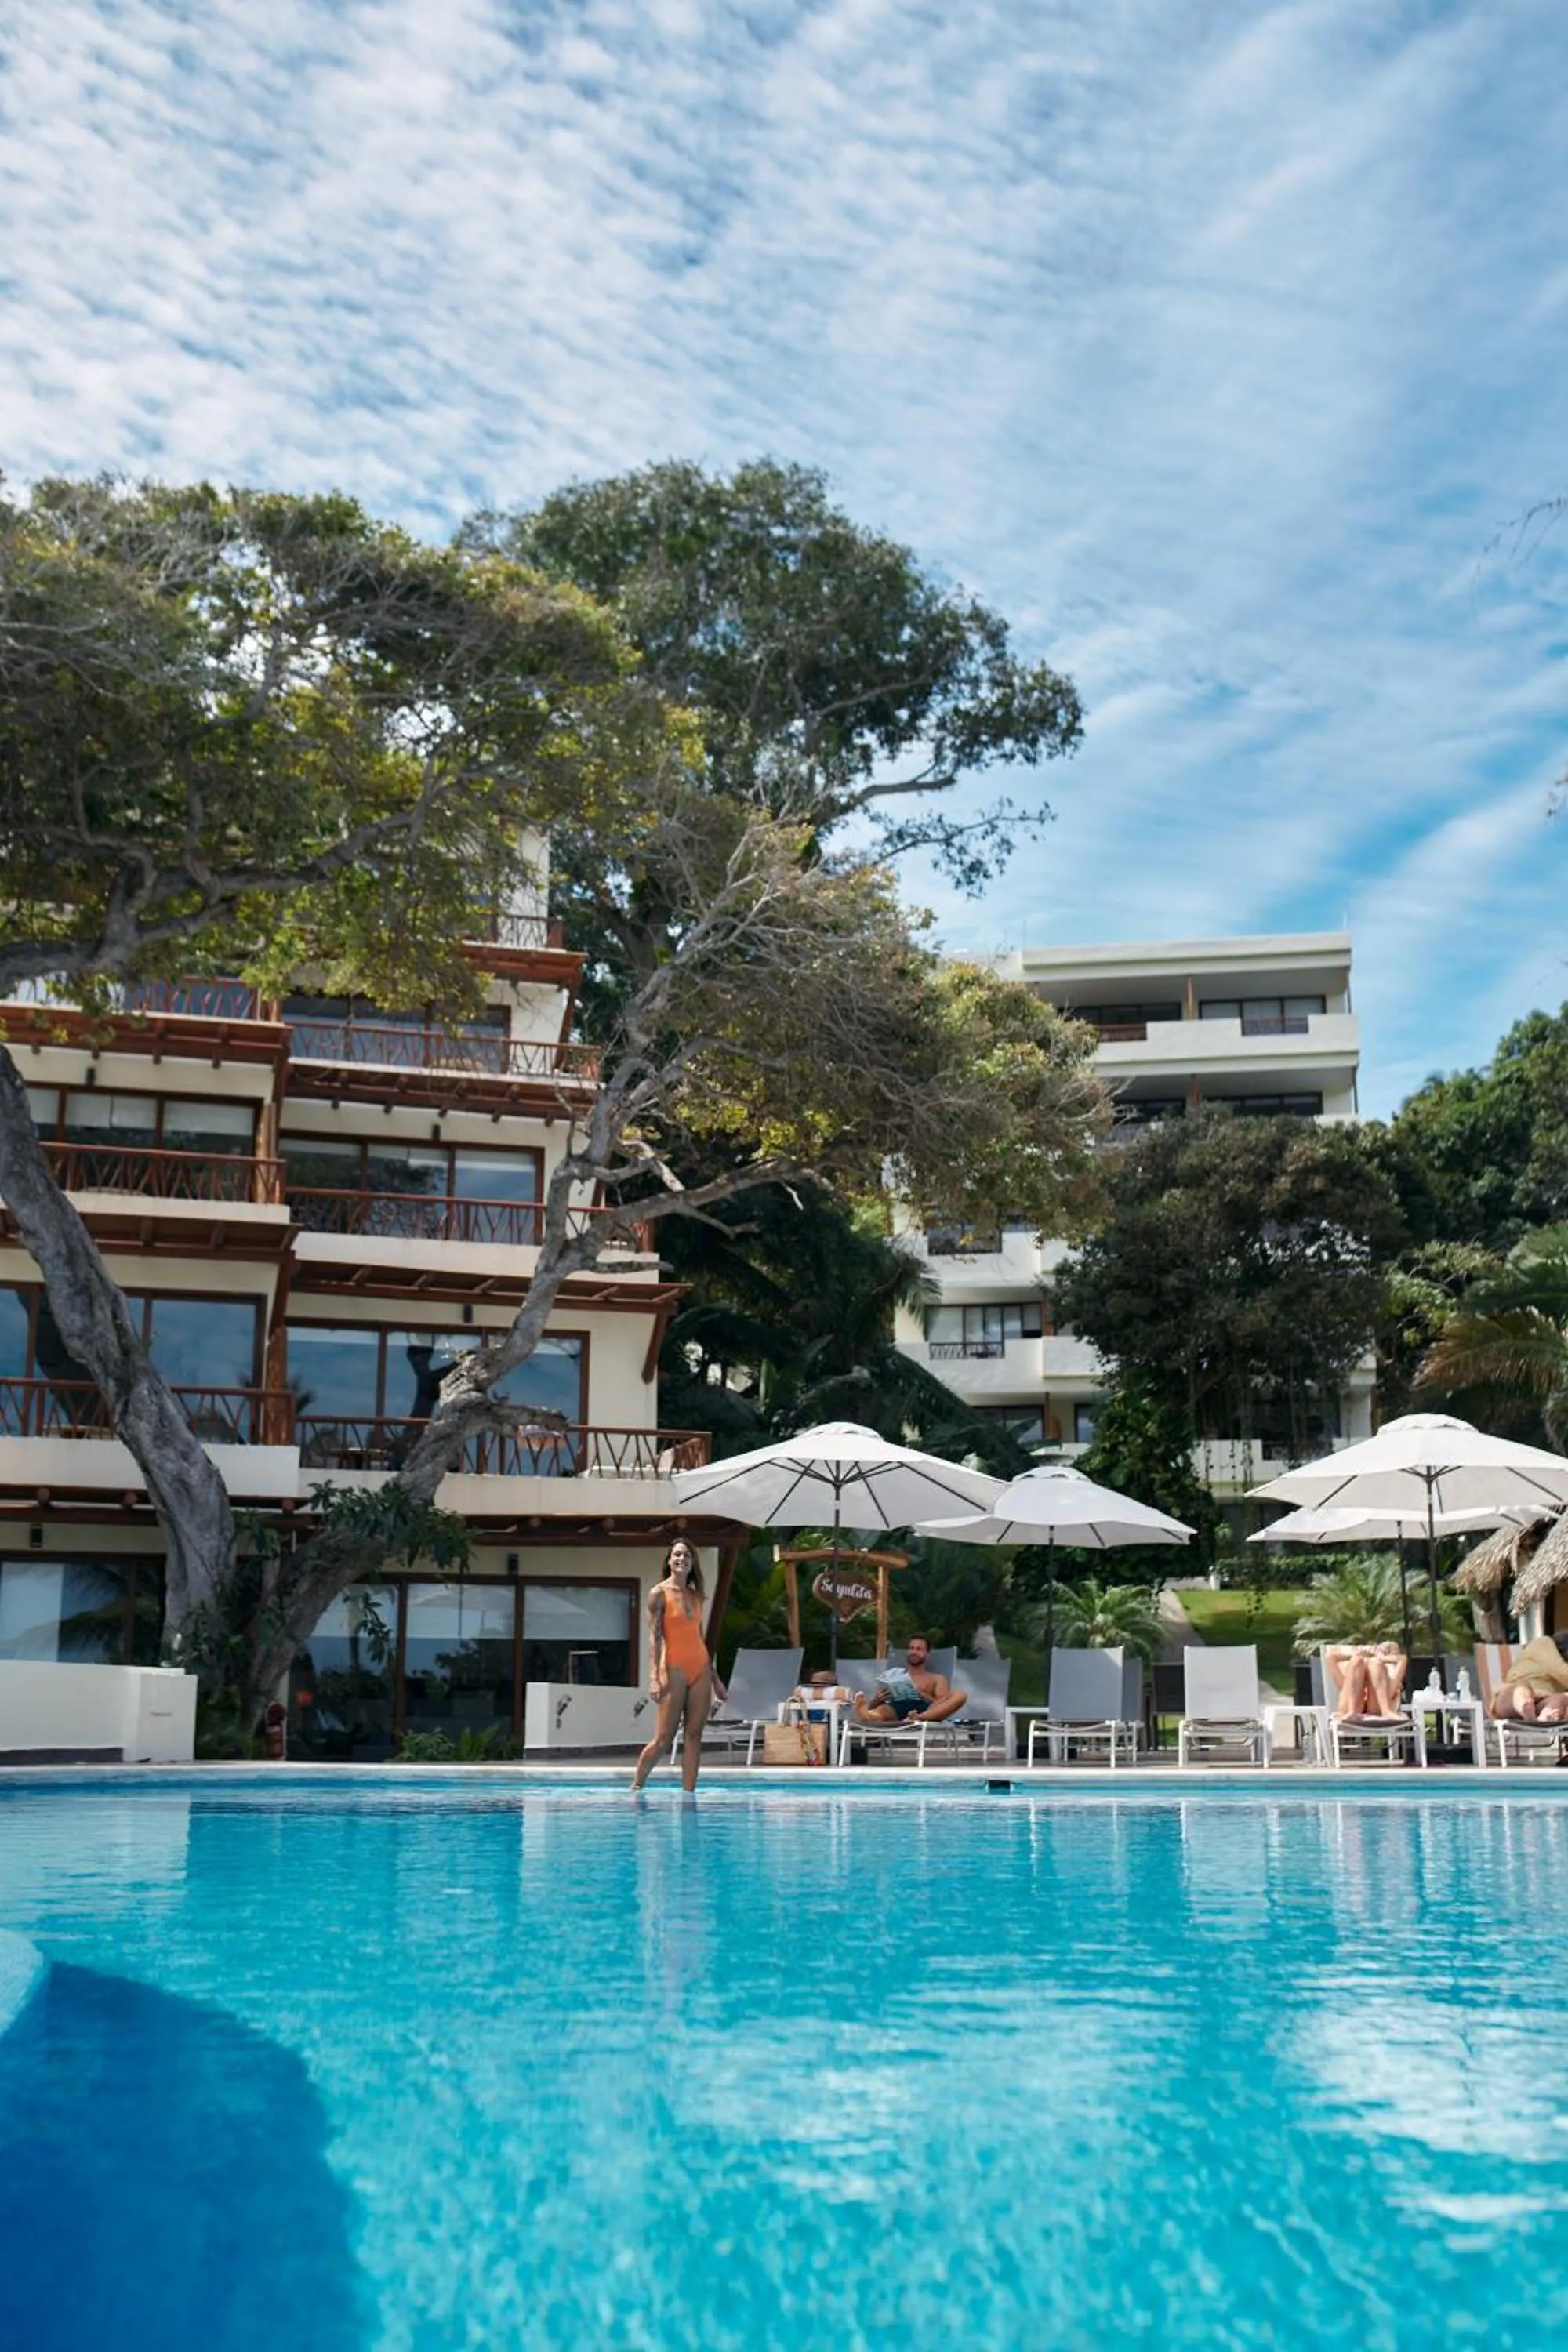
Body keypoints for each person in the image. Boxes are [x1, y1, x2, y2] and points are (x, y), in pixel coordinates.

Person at [631, 1539, 727, 1795]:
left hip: (701, 1668)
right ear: (669, 1560)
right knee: (663, 1739)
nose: (681, 1559)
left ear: (692, 1562)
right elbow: (654, 1638)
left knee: (694, 1736)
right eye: (677, 1554)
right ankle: (638, 1785)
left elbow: (700, 1638)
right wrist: (653, 1677)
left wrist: (716, 1680)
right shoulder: (658, 1594)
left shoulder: (696, 1596)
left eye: (686, 1555)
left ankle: (689, 1796)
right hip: (673, 1668)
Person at [854, 1635, 968, 1726]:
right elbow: (878, 1703)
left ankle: (918, 1718)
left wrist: (923, 1695)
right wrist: (876, 1700)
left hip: (925, 1709)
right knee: (882, 1710)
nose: (914, 1652)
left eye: (919, 1649)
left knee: (960, 1695)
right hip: (897, 1709)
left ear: (927, 1654)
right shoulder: (894, 1675)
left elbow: (942, 1704)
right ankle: (867, 1716)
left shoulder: (937, 1678)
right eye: (912, 1648)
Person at [1489, 1630, 1568, 1723]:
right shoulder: (1544, 1644)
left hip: (1541, 1702)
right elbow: (1562, 1672)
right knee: (1521, 1687)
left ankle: (1543, 1718)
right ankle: (1526, 1708)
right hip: (1513, 1696)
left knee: (1562, 1698)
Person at [1326, 1641, 1407, 1719]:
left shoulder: (1383, 1683)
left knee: (1376, 1663)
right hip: (1350, 1707)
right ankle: (1352, 1711)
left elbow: (1403, 1659)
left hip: (1377, 1710)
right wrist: (1358, 1657)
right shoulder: (1350, 1680)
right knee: (1357, 1661)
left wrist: (1376, 1658)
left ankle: (1386, 1711)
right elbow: (1330, 1657)